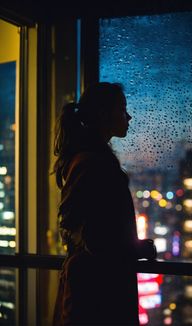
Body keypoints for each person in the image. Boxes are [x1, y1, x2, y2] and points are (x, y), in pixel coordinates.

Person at [52, 82, 157, 325]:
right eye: (122, 109)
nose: (128, 116)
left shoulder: (87, 160)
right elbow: (94, 237)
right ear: (103, 114)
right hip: (98, 295)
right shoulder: (93, 163)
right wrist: (136, 249)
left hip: (92, 291)